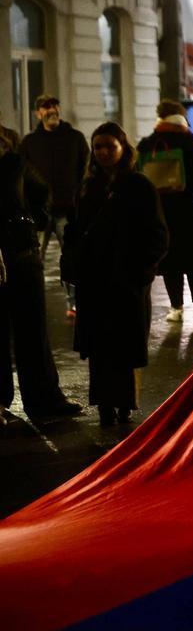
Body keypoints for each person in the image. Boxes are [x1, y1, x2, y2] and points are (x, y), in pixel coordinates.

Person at [71, 122, 169, 426]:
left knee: (124, 346)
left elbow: (158, 234)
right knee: (100, 347)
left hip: (126, 280)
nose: (102, 152)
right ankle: (103, 404)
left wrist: (141, 272)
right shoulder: (89, 187)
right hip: (95, 281)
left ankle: (125, 403)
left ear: (123, 149)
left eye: (108, 146)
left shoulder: (139, 185)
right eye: (97, 146)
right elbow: (76, 231)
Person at [0, 141, 83, 422]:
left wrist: (31, 221)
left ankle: (44, 399)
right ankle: (21, 400)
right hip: (17, 252)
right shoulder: (13, 162)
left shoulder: (13, 162)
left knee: (32, 330)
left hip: (21, 253)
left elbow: (41, 193)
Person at [137, 100, 193, 324]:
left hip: (161, 211)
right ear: (181, 118)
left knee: (170, 261)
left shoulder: (149, 142)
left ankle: (176, 307)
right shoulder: (189, 142)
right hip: (189, 210)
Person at [19, 94, 89, 317]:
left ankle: (75, 304)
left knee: (72, 257)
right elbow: (22, 176)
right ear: (38, 113)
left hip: (68, 209)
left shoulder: (75, 138)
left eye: (54, 105)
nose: (51, 110)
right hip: (38, 212)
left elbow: (86, 170)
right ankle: (32, 305)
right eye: (45, 107)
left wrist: (80, 198)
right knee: (32, 260)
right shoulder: (29, 142)